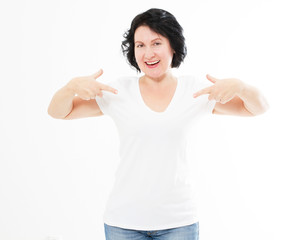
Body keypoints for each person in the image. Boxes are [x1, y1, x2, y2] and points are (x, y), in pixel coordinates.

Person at [47, 8, 269, 240]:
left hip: (179, 222)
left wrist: (242, 87)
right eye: (140, 45)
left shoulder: (196, 91)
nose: (148, 53)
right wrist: (71, 87)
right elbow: (59, 112)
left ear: (173, 45)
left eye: (156, 43)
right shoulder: (118, 91)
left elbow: (257, 108)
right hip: (123, 223)